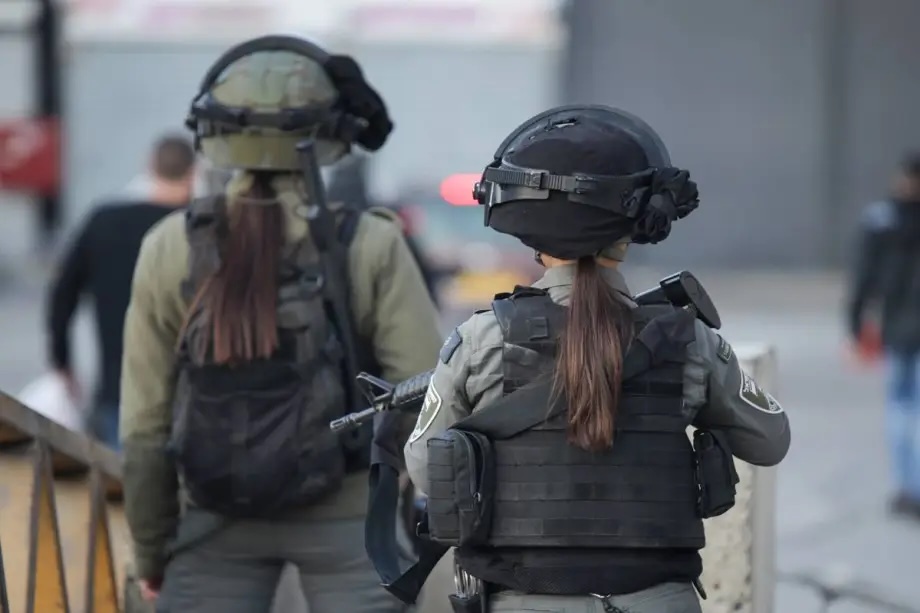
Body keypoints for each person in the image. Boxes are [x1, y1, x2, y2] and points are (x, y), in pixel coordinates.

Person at [403, 105, 791, 613]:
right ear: (628, 236)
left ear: (534, 238)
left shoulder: (480, 339)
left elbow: (427, 470)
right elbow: (770, 439)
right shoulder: (688, 339)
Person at [119, 35, 442, 612]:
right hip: (348, 517)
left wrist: (151, 551)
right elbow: (426, 396)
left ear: (211, 132)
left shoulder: (170, 245)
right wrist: (394, 498)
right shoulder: (369, 241)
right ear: (333, 132)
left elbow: (144, 428)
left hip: (214, 518)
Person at [45, 134, 196, 449]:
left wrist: (62, 363)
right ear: (193, 173)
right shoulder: (201, 229)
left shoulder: (104, 222)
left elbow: (61, 297)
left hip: (121, 391)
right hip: (194, 394)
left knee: (125, 475)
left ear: (150, 166)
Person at [847, 153, 920, 518]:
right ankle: (912, 486)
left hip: (899, 329)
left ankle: (910, 487)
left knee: (901, 407)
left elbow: (865, 278)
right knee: (906, 407)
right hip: (900, 329)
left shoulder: (882, 220)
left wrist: (856, 323)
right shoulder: (883, 220)